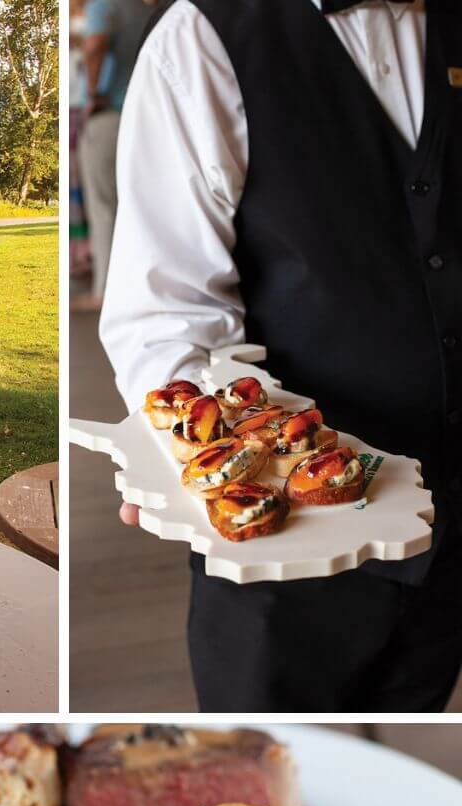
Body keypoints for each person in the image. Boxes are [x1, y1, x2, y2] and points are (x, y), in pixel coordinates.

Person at [100, 0, 462, 711]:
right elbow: (170, 309)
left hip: (452, 536)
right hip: (284, 552)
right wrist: (187, 455)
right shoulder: (203, 38)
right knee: (260, 770)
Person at [72, 0, 154, 309]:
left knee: (103, 205)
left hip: (110, 113)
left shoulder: (104, 6)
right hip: (147, 114)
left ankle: (105, 293)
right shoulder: (152, 8)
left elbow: (95, 46)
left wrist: (93, 93)